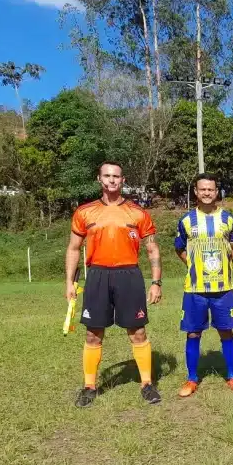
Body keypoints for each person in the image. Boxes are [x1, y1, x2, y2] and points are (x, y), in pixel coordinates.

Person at [65, 162, 162, 408]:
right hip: (97, 275)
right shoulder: (85, 212)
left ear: (123, 180)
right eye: (107, 175)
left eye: (116, 176)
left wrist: (156, 282)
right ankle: (89, 386)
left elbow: (152, 248)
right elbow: (74, 248)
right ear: (99, 179)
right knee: (93, 333)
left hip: (129, 275)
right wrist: (69, 282)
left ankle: (147, 384)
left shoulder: (137, 213)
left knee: (137, 332)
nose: (111, 180)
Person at [174, 173, 233, 396]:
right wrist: (192, 264)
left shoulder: (228, 219)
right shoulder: (186, 221)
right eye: (202, 189)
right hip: (195, 289)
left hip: (223, 289)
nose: (207, 193)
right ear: (196, 192)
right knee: (193, 334)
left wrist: (223, 264)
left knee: (226, 331)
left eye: (210, 189)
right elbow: (179, 248)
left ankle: (232, 376)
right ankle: (192, 379)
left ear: (216, 192)